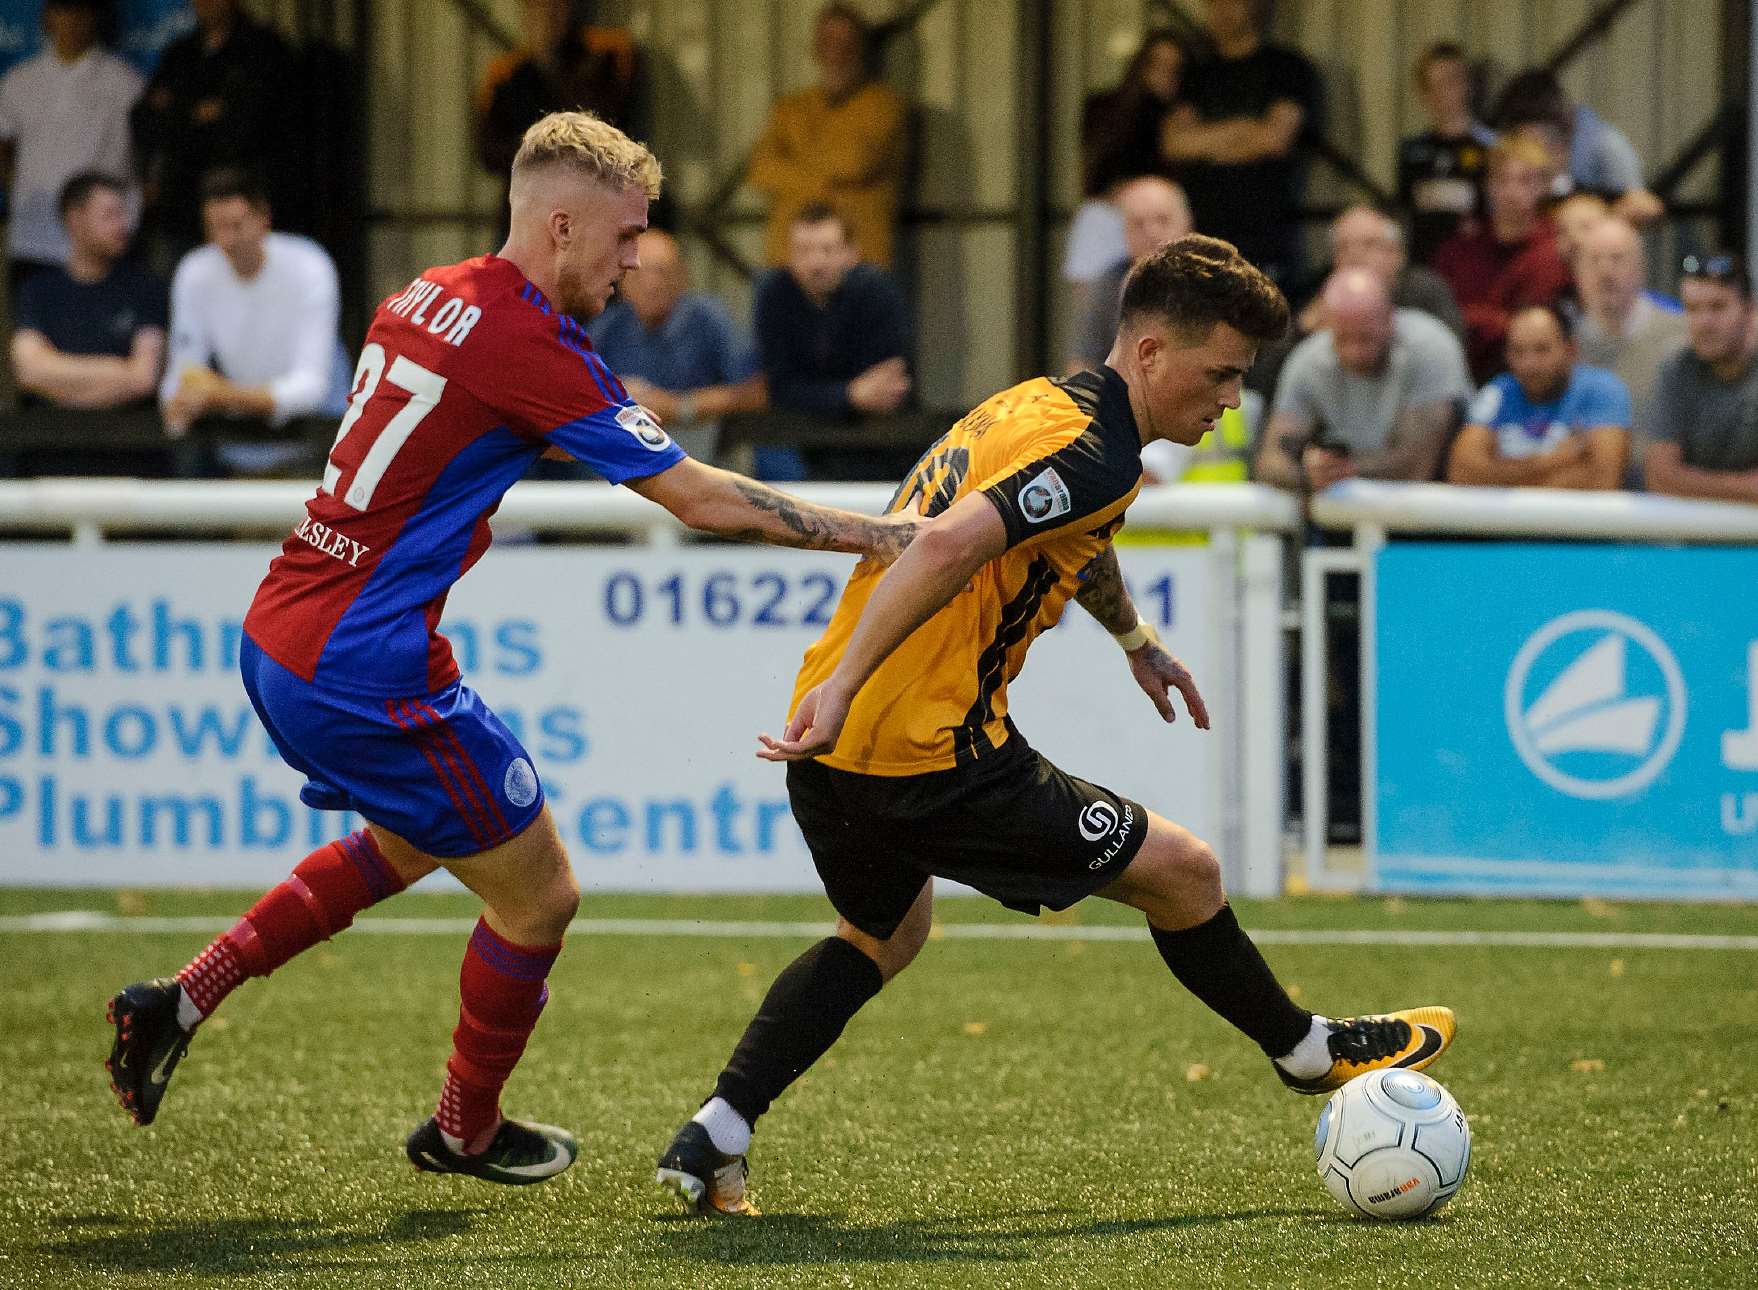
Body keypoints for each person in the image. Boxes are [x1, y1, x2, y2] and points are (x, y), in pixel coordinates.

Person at [103, 112, 921, 1186]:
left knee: (419, 838)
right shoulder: (529, 342)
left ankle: (180, 999)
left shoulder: (424, 290)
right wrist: (883, 536)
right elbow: (702, 499)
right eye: (626, 236)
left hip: (286, 628)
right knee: (540, 896)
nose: (636, 262)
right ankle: (464, 1129)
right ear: (564, 224)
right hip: (362, 664)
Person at [652, 235, 1456, 1217]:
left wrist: (1132, 638)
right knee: (1187, 872)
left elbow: (1073, 540)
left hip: (837, 747)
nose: (1232, 402)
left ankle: (715, 1133)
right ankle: (1304, 1050)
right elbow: (949, 544)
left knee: (879, 932)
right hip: (927, 752)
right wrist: (854, 681)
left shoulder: (1036, 405)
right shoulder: (1098, 453)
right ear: (1154, 353)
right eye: (1223, 375)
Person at [158, 168, 351, 477]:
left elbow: (312, 386)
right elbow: (182, 374)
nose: (227, 241)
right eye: (215, 229)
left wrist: (220, 396)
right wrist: (179, 404)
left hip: (319, 444)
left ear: (264, 219)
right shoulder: (195, 271)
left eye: (236, 226)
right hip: (241, 447)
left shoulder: (309, 266)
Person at [1255, 269, 1468, 492]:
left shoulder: (1430, 347)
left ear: (1390, 319)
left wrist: (1344, 470)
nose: (1354, 353)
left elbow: (1415, 467)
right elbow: (1270, 463)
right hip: (1347, 511)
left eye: (1366, 338)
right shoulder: (1309, 359)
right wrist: (1307, 475)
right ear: (1325, 326)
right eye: (1342, 339)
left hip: (1436, 511)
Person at [1162, 0, 1321, 285]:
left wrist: (1205, 140)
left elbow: (1274, 139)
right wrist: (1244, 129)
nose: (1221, 10)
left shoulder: (1287, 67)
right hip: (1203, 226)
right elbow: (1175, 143)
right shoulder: (1197, 74)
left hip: (1265, 229)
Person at [753, 202, 912, 479]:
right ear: (789, 255)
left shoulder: (877, 293)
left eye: (828, 250)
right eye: (803, 251)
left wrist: (821, 395)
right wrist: (850, 395)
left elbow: (889, 388)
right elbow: (780, 390)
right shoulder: (774, 295)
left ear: (852, 254)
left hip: (880, 447)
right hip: (802, 443)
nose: (816, 263)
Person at [130, 0, 299, 260]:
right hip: (182, 206)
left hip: (242, 202)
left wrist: (180, 113)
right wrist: (197, 114)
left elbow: (250, 125)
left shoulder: (263, 49)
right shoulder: (182, 52)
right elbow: (145, 118)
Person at [746, 3, 907, 270]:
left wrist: (793, 170)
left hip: (859, 261)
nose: (836, 53)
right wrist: (826, 182)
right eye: (828, 42)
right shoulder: (791, 108)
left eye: (846, 43)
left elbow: (855, 161)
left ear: (861, 50)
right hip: (791, 263)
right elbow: (761, 170)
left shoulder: (884, 106)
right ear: (816, 49)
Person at [585, 229, 765, 463]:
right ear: (623, 282)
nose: (652, 284)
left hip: (700, 455)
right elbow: (571, 393)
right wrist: (618, 394)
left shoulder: (708, 317)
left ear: (682, 276)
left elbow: (756, 391)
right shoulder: (606, 326)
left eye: (662, 272)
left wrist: (679, 406)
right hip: (622, 457)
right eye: (640, 273)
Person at [0, 0, 143, 289]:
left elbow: (149, 152)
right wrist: (18, 185)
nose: (72, 21)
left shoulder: (126, 82)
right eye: (64, 11)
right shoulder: (19, 80)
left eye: (81, 12)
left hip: (104, 237)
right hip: (34, 237)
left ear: (95, 18)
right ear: (48, 18)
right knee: (32, 333)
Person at [10, 172, 165, 414]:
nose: (122, 225)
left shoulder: (145, 288)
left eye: (123, 214)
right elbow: (29, 370)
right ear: (75, 220)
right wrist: (114, 368)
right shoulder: (38, 291)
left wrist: (60, 378)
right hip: (48, 442)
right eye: (109, 215)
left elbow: (143, 378)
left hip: (130, 442)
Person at [1065, 30, 1189, 321]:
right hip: (1110, 216)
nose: (1164, 77)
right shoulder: (1109, 109)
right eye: (1156, 66)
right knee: (1097, 315)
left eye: (1174, 69)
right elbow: (1094, 172)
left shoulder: (1183, 116)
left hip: (1159, 220)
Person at [1433, 133, 1571, 384]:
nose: (1511, 191)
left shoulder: (1553, 252)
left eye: (1525, 181)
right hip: (1460, 374)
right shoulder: (1458, 250)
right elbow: (1442, 322)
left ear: (1543, 187)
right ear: (1489, 185)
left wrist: (1476, 320)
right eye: (1502, 180)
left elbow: (1532, 330)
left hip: (1528, 380)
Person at [1446, 303, 1629, 490]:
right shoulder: (1499, 391)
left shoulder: (1601, 390)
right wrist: (1552, 461)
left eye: (1542, 350)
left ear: (1570, 350)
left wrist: (1498, 476)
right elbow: (1460, 473)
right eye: (1517, 351)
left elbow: (1601, 481)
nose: (1529, 364)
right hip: (1505, 520)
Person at [1571, 216, 1687, 478]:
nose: (1605, 271)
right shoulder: (1562, 344)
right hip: (1588, 489)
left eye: (1617, 259)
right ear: (1577, 274)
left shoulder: (1682, 337)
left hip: (1664, 492)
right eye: (1594, 260)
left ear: (1641, 269)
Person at [1642, 254, 1758, 504]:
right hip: (1692, 537)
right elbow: (1660, 477)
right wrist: (1744, 487)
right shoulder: (1676, 369)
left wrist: (1689, 481)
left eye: (1718, 307)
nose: (1704, 322)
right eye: (1693, 309)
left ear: (1749, 311)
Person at [1491, 69, 1662, 226]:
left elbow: (1645, 206)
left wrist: (1598, 221)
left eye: (1538, 145)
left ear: (1560, 148)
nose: (1528, 155)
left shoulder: (1605, 146)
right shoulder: (1501, 185)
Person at [1066, 175, 1193, 373]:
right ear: (1124, 233)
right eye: (1138, 224)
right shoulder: (1107, 285)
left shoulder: (1219, 281)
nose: (1151, 233)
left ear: (1187, 224)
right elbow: (1083, 364)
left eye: (1162, 220)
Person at [1396, 42, 1495, 265]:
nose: (1442, 94)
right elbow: (1404, 212)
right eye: (1433, 85)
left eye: (1449, 83)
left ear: (1466, 86)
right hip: (1423, 263)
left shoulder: (1490, 147)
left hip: (1474, 264)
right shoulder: (1412, 150)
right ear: (1423, 93)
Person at [1298, 205, 1462, 339]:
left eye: (1368, 244)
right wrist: (1303, 330)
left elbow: (1451, 349)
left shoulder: (1425, 291)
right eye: (1343, 247)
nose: (1354, 256)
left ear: (1396, 254)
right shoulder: (1325, 296)